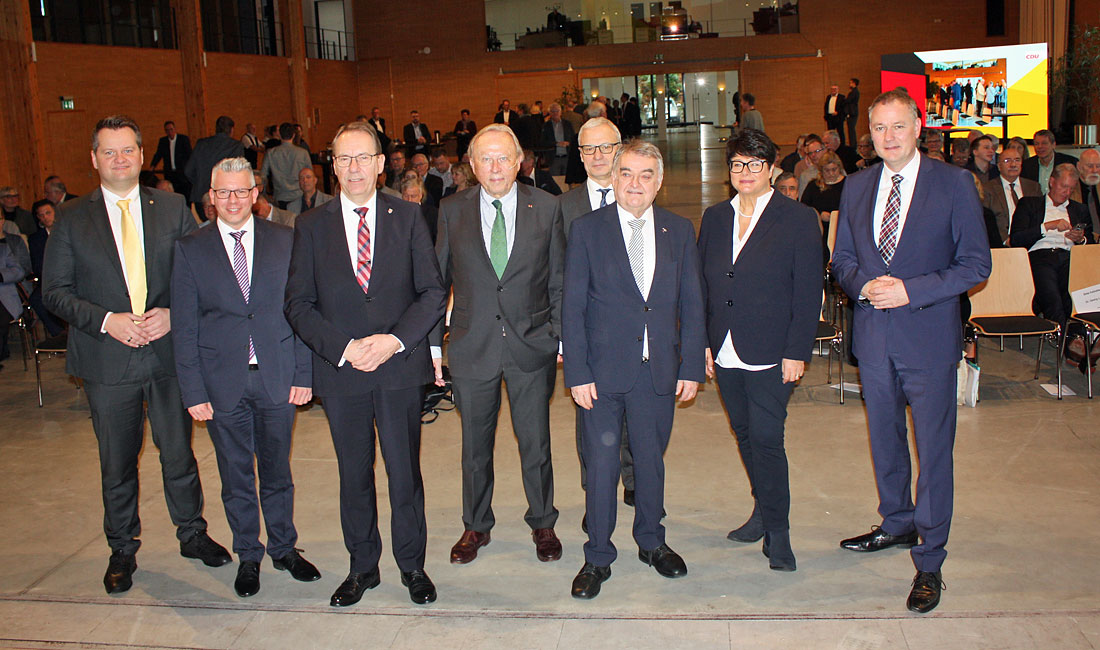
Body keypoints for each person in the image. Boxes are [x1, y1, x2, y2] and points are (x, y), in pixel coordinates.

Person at [42, 115, 231, 595]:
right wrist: (108, 320)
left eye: (128, 150)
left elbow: (199, 274)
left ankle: (192, 533)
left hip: (167, 354)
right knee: (117, 462)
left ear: (142, 155)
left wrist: (174, 313)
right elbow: (55, 292)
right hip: (107, 358)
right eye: (109, 151)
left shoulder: (170, 207)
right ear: (94, 159)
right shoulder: (71, 217)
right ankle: (122, 548)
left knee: (179, 453)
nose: (120, 159)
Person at [832, 90, 991, 614]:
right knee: (885, 441)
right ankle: (897, 522)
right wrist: (863, 286)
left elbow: (976, 265)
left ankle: (930, 559)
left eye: (898, 126)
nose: (889, 137)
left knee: (934, 452)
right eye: (879, 128)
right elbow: (842, 259)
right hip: (874, 338)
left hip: (928, 339)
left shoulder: (953, 184)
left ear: (918, 126)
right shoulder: (856, 186)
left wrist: (910, 291)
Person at [284, 120, 445, 607]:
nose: (353, 167)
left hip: (398, 368)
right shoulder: (311, 225)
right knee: (353, 475)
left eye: (363, 157)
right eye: (343, 158)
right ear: (332, 166)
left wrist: (393, 341)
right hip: (342, 372)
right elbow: (297, 304)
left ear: (379, 164)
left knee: (404, 472)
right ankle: (362, 567)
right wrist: (344, 349)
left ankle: (412, 565)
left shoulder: (408, 217)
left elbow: (432, 292)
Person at [562, 138, 705, 599]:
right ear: (614, 178)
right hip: (601, 374)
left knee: (649, 462)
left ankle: (651, 541)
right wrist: (577, 373)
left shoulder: (678, 230)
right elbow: (572, 306)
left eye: (646, 175)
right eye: (627, 174)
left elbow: (692, 301)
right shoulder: (587, 230)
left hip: (657, 370)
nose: (635, 184)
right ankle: (597, 556)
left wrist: (691, 365)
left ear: (659, 183)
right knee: (602, 467)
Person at [171, 156, 319, 599]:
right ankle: (248, 555)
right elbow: (185, 327)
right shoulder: (190, 249)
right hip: (222, 383)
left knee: (277, 472)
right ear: (211, 197)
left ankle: (284, 548)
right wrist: (193, 390)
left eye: (241, 191)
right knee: (236, 475)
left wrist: (304, 372)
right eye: (223, 192)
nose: (232, 200)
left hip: (277, 376)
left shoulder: (286, 240)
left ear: (256, 194)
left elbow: (302, 311)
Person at [432, 124, 565, 567]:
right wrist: (434, 348)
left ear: (520, 162)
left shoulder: (546, 207)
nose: (495, 167)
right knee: (474, 446)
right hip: (473, 346)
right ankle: (475, 525)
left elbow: (559, 279)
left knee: (536, 443)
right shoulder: (451, 210)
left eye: (503, 157)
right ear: (471, 165)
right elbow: (437, 284)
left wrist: (559, 336)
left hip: (532, 345)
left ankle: (543, 522)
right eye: (485, 158)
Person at [698, 128, 821, 572]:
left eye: (754, 164)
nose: (745, 172)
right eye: (737, 164)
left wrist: (797, 350)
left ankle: (779, 532)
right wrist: (703, 342)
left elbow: (808, 290)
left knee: (768, 437)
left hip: (773, 349)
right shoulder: (715, 217)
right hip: (725, 346)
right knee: (745, 433)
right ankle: (762, 511)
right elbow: (702, 284)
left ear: (771, 169)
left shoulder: (797, 218)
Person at [557, 117, 636, 532]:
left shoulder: (638, 193)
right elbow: (556, 275)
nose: (598, 156)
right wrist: (563, 337)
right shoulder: (564, 207)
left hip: (634, 330)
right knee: (589, 419)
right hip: (586, 332)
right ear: (580, 154)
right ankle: (596, 493)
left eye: (606, 147)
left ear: (620, 149)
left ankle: (636, 482)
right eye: (589, 149)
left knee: (636, 412)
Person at [1009, 163, 1093, 362]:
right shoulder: (1029, 204)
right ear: (1052, 182)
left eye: (1071, 188)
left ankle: (1075, 345)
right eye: (1063, 186)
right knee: (1052, 296)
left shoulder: (1079, 209)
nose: (1067, 192)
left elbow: (1090, 244)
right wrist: (1047, 227)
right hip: (1040, 256)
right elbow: (1016, 239)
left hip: (1070, 256)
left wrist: (1080, 239)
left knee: (1074, 295)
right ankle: (1075, 343)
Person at [982, 142, 1040, 246]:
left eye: (1017, 160)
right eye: (1007, 161)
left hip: (1030, 244)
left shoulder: (1033, 187)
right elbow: (985, 222)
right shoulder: (987, 189)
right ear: (999, 166)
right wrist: (1006, 241)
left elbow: (1039, 218)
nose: (1013, 165)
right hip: (999, 245)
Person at [185, 115, 244, 210]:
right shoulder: (236, 146)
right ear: (231, 130)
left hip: (200, 197)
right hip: (224, 197)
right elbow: (237, 173)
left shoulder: (201, 143)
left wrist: (200, 182)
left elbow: (188, 171)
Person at [26, 200, 64, 337]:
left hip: (74, 276)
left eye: (48, 213)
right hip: (49, 279)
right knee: (36, 299)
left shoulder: (69, 231)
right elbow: (37, 265)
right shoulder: (35, 239)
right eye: (41, 215)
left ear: (56, 213)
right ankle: (59, 333)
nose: (45, 217)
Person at [800, 149, 847, 258]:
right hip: (821, 233)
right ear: (821, 170)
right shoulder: (813, 186)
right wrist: (819, 214)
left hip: (842, 231)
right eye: (827, 170)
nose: (831, 174)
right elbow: (804, 208)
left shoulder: (848, 184)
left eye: (834, 170)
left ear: (839, 168)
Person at [260, 123, 314, 209]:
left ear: (279, 135)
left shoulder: (271, 153)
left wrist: (264, 195)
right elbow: (310, 175)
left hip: (280, 196)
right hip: (299, 196)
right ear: (293, 135)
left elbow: (263, 176)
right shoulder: (303, 153)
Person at [1021, 130, 1077, 194]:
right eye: (1036, 144)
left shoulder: (1068, 162)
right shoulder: (1027, 165)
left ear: (1053, 145)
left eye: (1044, 143)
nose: (1040, 147)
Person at [150, 120, 192, 198]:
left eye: (171, 129)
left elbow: (189, 155)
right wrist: (153, 165)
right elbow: (158, 154)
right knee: (171, 194)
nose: (170, 132)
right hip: (170, 173)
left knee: (184, 193)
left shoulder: (183, 139)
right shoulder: (163, 141)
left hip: (181, 173)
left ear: (175, 129)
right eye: (167, 130)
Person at [1072, 148, 1100, 238]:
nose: (1094, 170)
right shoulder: (1070, 190)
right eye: (1090, 166)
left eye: (1098, 166)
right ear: (1079, 167)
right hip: (1081, 240)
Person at [541, 103, 575, 176]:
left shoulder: (567, 124)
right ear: (550, 113)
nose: (555, 113)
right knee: (555, 179)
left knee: (568, 179)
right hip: (554, 159)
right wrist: (556, 144)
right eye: (553, 111)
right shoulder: (546, 126)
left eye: (557, 111)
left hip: (567, 158)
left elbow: (573, 138)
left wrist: (569, 143)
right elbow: (543, 142)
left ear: (561, 112)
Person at [401, 176, 438, 242]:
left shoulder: (432, 213)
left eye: (413, 196)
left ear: (421, 195)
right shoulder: (396, 213)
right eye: (406, 196)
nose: (409, 200)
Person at [845, 78, 861, 148]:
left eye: (850, 83)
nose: (849, 84)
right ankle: (852, 143)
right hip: (852, 112)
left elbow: (849, 101)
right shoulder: (854, 92)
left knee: (851, 129)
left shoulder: (854, 92)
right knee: (850, 129)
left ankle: (853, 144)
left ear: (854, 83)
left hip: (852, 112)